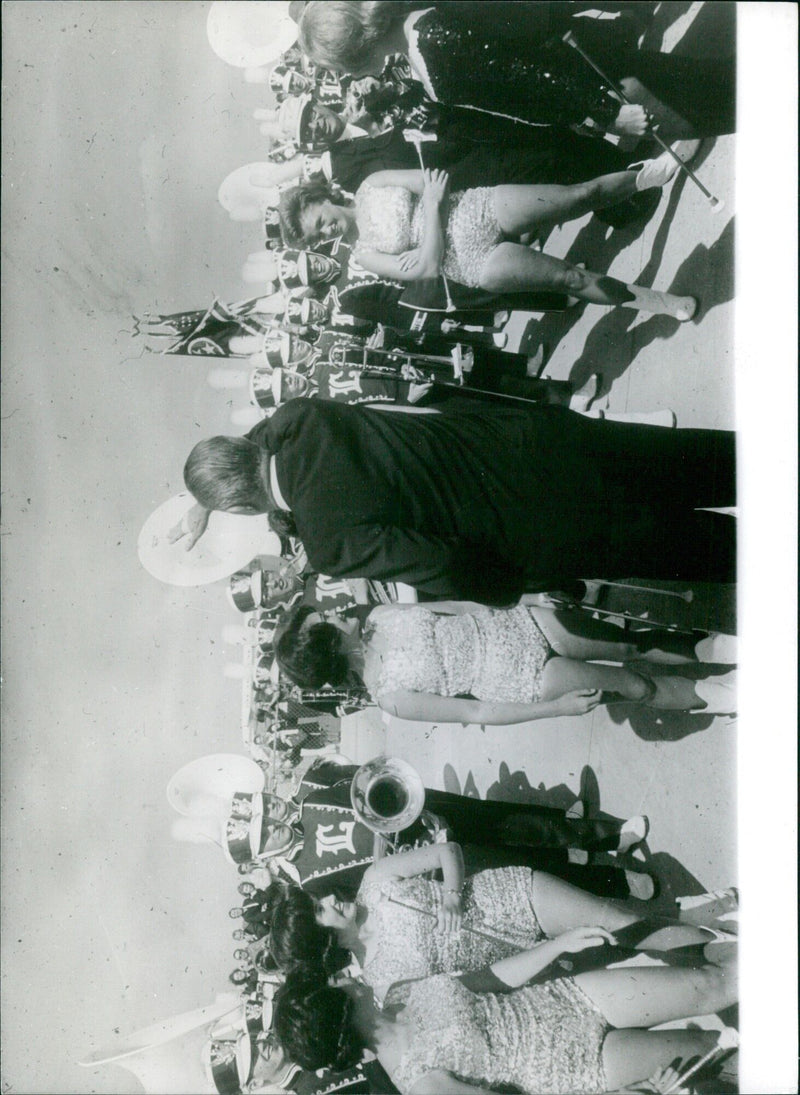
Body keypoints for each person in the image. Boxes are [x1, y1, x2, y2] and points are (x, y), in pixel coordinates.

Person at [179, 398, 736, 601]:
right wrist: (206, 496)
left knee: (696, 546)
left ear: (240, 508)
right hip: (537, 444)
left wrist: (509, 590)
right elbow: (260, 440)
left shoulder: (328, 544)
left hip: (535, 532)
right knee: (699, 462)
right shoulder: (300, 420)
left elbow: (441, 564)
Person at [267, 841, 726, 1003]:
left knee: (623, 927)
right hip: (528, 966)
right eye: (319, 910)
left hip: (512, 898)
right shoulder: (382, 981)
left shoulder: (376, 879)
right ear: (323, 943)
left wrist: (450, 895)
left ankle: (731, 948)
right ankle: (701, 918)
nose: (330, 897)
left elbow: (450, 851)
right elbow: (469, 985)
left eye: (318, 897)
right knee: (630, 954)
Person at [273, 944, 736, 1093]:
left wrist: (558, 945)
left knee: (714, 985)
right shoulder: (421, 1084)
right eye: (334, 985)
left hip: (568, 999)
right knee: (719, 1056)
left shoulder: (397, 992)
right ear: (338, 1013)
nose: (343, 976)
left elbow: (487, 980)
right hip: (578, 1066)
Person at [278, 164, 699, 318]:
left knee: (579, 196)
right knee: (569, 279)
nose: (327, 230)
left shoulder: (372, 184)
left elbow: (433, 179)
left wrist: (428, 232)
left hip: (473, 207)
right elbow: (428, 269)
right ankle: (660, 302)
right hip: (471, 263)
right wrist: (432, 211)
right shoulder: (365, 256)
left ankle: (650, 174)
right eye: (319, 236)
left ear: (321, 199)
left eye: (321, 220)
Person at [296, 2, 736, 138]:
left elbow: (525, 74)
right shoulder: (420, 39)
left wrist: (604, 111)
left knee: (720, 101)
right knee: (718, 92)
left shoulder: (432, 40)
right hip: (593, 75)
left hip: (603, 79)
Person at [276, 594, 737, 717]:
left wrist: (527, 599)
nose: (335, 612)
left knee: (629, 642)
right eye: (326, 623)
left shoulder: (381, 612)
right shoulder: (388, 697)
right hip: (516, 677)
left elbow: (457, 607)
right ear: (330, 646)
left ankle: (729, 648)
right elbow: (476, 709)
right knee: (635, 686)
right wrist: (553, 709)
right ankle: (725, 696)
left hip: (515, 622)